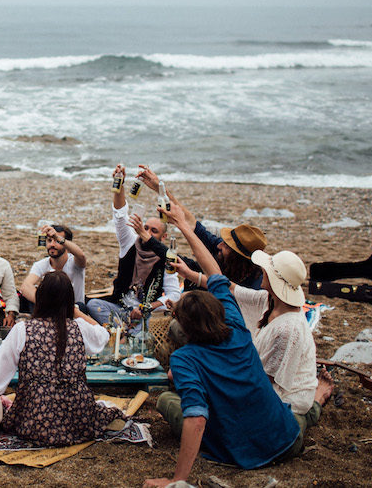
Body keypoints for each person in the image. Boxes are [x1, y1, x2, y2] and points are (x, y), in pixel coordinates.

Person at [141, 207, 303, 487]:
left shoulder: (184, 359)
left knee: (167, 401)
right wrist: (184, 227)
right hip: (289, 441)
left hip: (244, 454)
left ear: (183, 329)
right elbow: (214, 272)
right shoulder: (237, 323)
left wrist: (177, 480)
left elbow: (197, 418)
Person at [170, 237, 333, 438]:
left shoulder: (288, 330)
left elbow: (263, 384)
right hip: (254, 377)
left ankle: (316, 403)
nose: (262, 271)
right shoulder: (269, 300)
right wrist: (189, 274)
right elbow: (229, 289)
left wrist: (213, 378)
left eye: (267, 270)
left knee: (180, 404)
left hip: (279, 403)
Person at [0, 272, 125, 445]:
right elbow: (103, 333)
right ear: (69, 300)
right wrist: (74, 311)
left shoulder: (23, 330)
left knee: (1, 409)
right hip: (78, 418)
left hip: (35, 420)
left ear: (40, 298)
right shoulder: (80, 328)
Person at [136, 165, 266, 288]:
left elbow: (220, 287)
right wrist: (160, 188)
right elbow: (192, 224)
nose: (219, 245)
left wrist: (147, 236)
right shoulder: (222, 249)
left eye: (226, 245)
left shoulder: (255, 285)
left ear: (238, 257)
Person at [88, 164, 182, 325]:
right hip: (121, 309)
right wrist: (120, 183)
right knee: (93, 305)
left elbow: (174, 294)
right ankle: (124, 330)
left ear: (163, 237)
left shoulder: (167, 257)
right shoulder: (130, 241)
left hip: (146, 314)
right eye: (145, 228)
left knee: (150, 323)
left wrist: (147, 307)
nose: (147, 233)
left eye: (154, 231)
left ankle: (126, 332)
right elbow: (120, 215)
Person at [19, 224, 89, 315]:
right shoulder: (41, 265)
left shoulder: (75, 263)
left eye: (56, 241)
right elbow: (25, 287)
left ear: (66, 244)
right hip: (49, 310)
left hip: (73, 310)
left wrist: (58, 237)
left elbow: (81, 255)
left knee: (81, 306)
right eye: (49, 240)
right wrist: (47, 304)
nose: (52, 244)